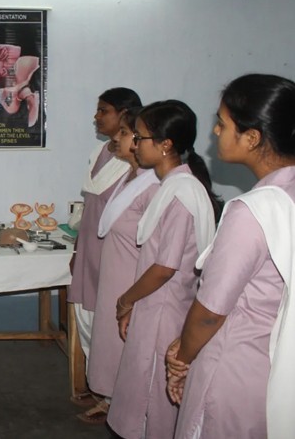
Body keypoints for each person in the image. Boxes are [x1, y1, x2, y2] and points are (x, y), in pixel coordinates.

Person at [165, 74, 295, 438]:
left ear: (252, 138)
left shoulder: (253, 211)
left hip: (237, 367)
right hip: (279, 365)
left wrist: (181, 358)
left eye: (222, 124)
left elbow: (210, 313)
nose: (215, 133)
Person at [107, 100, 222, 439]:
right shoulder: (171, 186)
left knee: (151, 398)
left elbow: (164, 267)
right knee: (139, 388)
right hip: (154, 305)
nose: (133, 145)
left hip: (164, 310)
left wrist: (125, 300)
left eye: (139, 138)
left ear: (165, 144)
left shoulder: (180, 194)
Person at [79, 107, 159, 424]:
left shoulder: (153, 186)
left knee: (126, 343)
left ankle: (128, 406)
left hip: (131, 275)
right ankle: (112, 398)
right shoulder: (130, 178)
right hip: (116, 269)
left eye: (124, 134)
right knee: (109, 340)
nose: (118, 139)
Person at [68, 87, 142, 407]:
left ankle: (116, 396)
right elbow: (90, 206)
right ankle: (100, 384)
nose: (96, 117)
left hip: (117, 254)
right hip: (89, 250)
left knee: (111, 325)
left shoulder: (137, 164)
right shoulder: (97, 155)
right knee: (87, 318)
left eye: (103, 111)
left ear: (124, 115)